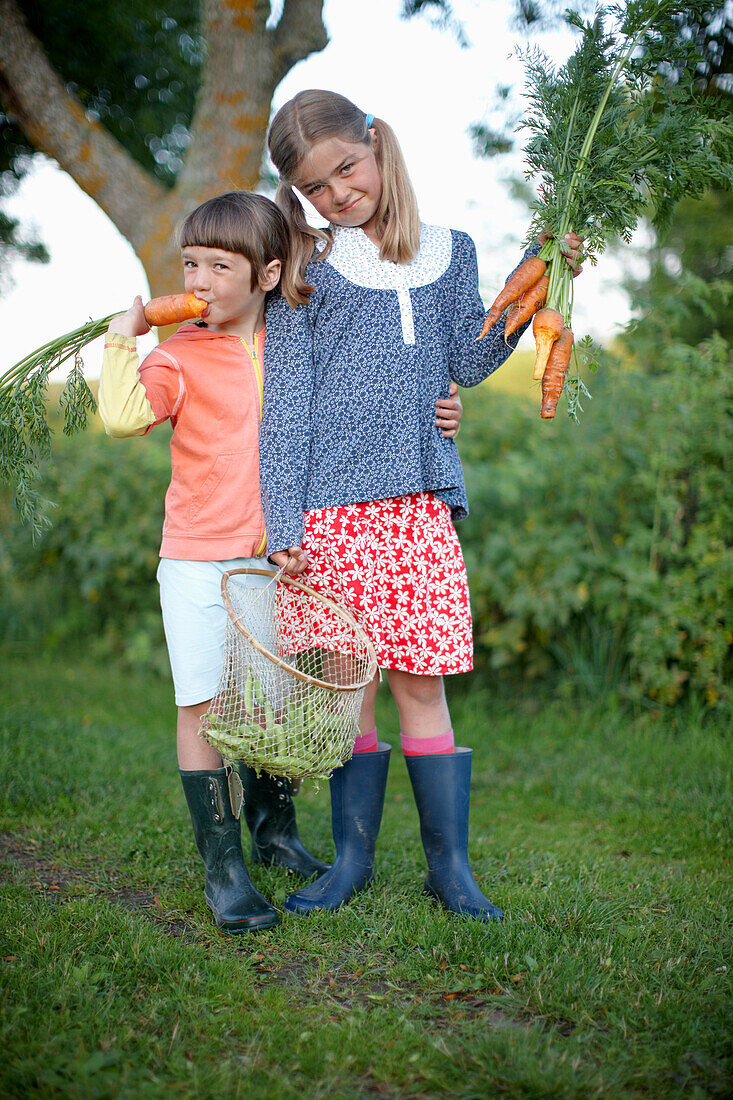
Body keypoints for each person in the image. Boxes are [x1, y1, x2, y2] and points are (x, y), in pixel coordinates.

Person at [97, 190, 464, 934]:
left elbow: (377, 400)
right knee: (202, 703)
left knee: (273, 705)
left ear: (267, 275)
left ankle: (275, 831)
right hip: (200, 556)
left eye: (218, 266)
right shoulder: (180, 353)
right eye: (189, 264)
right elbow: (122, 417)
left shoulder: (302, 346)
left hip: (285, 556)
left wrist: (444, 405)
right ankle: (224, 868)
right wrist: (122, 340)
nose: (198, 281)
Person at [259, 90, 583, 922]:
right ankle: (351, 863)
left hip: (416, 508)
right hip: (329, 512)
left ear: (375, 144)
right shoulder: (305, 265)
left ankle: (450, 870)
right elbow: (287, 403)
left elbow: (466, 363)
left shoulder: (451, 250)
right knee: (348, 689)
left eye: (345, 168)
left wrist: (541, 267)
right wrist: (284, 524)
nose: (337, 193)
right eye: (315, 187)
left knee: (420, 686)